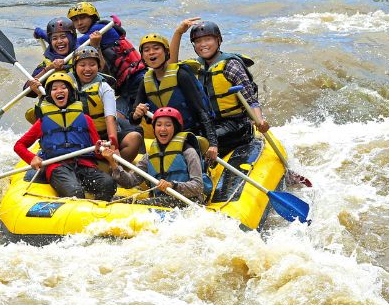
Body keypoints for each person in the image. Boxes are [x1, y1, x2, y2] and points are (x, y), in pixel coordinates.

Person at [170, 18, 269, 157]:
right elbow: (170, 67)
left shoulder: (231, 66)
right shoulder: (194, 67)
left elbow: (251, 101)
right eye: (198, 41)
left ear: (218, 41)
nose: (203, 44)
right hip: (207, 124)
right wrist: (178, 33)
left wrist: (260, 121)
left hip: (236, 125)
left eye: (208, 39)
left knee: (194, 141)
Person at [28, 45, 143, 162]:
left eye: (92, 65)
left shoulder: (104, 87)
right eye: (82, 65)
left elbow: (110, 118)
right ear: (75, 67)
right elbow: (50, 108)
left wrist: (114, 145)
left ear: (98, 67)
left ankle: (114, 169)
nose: (87, 69)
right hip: (75, 136)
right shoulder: (64, 84)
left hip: (101, 136)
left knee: (134, 138)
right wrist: (39, 92)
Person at [13, 71, 117, 200]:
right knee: (75, 192)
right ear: (50, 95)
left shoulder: (85, 119)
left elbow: (96, 151)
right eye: (54, 89)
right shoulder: (43, 122)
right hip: (58, 167)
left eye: (63, 88)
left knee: (108, 184)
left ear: (71, 92)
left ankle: (99, 209)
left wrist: (100, 149)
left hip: (84, 165)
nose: (59, 91)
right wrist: (31, 158)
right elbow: (19, 145)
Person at [130, 32, 218, 161]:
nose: (151, 53)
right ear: (142, 56)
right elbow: (134, 120)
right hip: (165, 137)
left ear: (166, 52)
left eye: (156, 48)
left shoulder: (181, 75)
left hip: (192, 135)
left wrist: (213, 144)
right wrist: (136, 114)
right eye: (146, 50)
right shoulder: (146, 81)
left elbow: (201, 111)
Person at [101, 107, 210, 205]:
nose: (162, 129)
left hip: (189, 201)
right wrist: (114, 164)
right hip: (161, 201)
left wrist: (173, 185)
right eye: (159, 125)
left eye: (168, 125)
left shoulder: (188, 151)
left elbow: (198, 186)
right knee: (115, 200)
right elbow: (130, 182)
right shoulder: (150, 156)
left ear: (175, 128)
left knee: (145, 203)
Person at [66, 1, 146, 117]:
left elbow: (73, 46)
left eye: (83, 18)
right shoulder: (97, 32)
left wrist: (45, 35)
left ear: (92, 17)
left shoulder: (100, 29)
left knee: (122, 114)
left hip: (136, 79)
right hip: (125, 86)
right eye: (75, 20)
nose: (79, 23)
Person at [25, 17, 76, 96]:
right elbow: (27, 91)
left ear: (72, 38)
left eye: (63, 36)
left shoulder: (82, 53)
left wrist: (96, 45)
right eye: (54, 38)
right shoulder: (47, 63)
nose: (59, 41)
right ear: (50, 41)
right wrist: (49, 69)